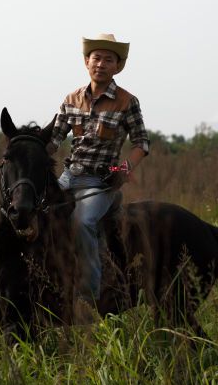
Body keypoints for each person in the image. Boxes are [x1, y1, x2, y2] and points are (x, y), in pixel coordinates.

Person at [47, 33, 150, 305]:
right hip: (69, 177)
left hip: (100, 182)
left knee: (82, 222)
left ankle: (88, 296)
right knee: (35, 212)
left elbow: (141, 143)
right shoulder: (71, 99)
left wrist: (124, 168)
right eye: (96, 58)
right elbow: (54, 140)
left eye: (108, 59)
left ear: (117, 66)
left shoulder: (127, 101)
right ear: (86, 62)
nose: (101, 64)